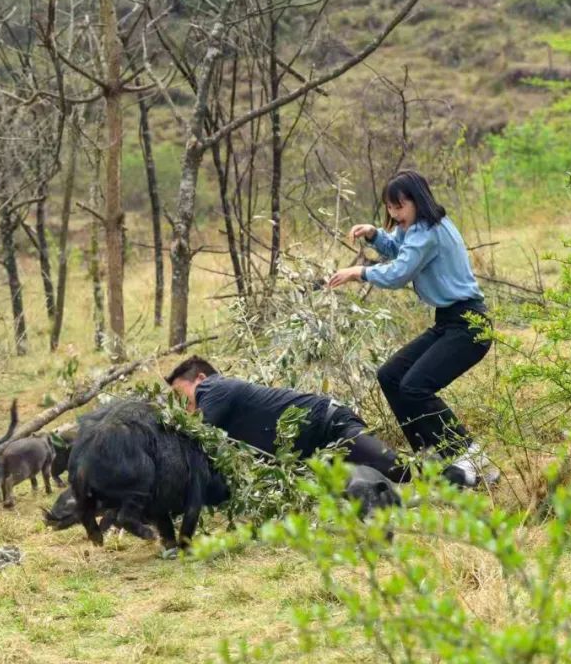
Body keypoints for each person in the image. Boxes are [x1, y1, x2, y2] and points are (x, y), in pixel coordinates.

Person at [327, 170, 498, 486]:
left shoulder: (428, 232)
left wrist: (359, 272)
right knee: (390, 375)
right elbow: (399, 248)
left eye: (399, 206)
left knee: (415, 386)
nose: (394, 214)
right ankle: (433, 459)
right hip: (449, 321)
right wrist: (374, 234)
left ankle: (474, 459)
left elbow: (399, 272)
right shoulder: (419, 227)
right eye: (390, 207)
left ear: (417, 200)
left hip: (469, 325)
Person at [164, 355, 470, 486]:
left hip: (331, 426)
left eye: (181, 397)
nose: (183, 408)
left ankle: (466, 475)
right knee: (362, 488)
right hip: (317, 454)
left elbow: (195, 438)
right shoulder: (221, 413)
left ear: (200, 379)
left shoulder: (214, 388)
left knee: (399, 469)